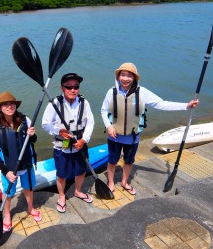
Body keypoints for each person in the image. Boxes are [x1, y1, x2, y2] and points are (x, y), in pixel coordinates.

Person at [101, 63, 199, 195]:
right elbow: (103, 110)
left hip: (132, 137)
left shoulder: (142, 92)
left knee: (128, 161)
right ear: (118, 76)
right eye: (122, 75)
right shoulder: (111, 92)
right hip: (114, 136)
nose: (125, 78)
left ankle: (125, 182)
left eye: (129, 75)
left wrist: (186, 106)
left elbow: (161, 104)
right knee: (112, 161)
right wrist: (108, 125)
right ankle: (111, 182)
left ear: (134, 78)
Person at [0, 91, 42, 233]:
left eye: (11, 103)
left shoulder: (25, 120)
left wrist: (32, 134)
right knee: (8, 193)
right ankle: (6, 215)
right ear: (0, 108)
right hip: (9, 168)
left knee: (28, 188)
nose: (9, 106)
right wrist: (6, 171)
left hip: (26, 164)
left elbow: (33, 140)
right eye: (5, 104)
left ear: (15, 105)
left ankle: (30, 208)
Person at [42, 73, 95, 213]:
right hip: (62, 147)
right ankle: (61, 196)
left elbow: (90, 123)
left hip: (80, 144)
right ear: (62, 88)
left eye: (76, 87)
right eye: (69, 87)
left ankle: (77, 191)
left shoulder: (84, 103)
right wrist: (58, 130)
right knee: (62, 174)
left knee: (81, 171)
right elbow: (45, 124)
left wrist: (84, 139)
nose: (73, 90)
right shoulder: (54, 103)